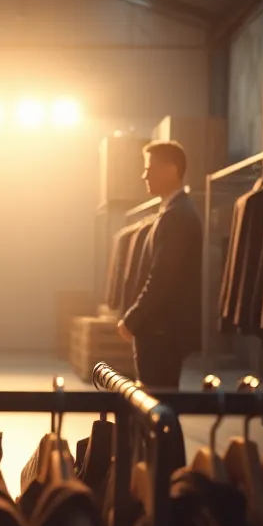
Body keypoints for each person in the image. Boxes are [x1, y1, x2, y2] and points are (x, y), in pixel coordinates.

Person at [117, 141, 202, 390]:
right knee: (156, 404)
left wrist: (133, 318)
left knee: (156, 404)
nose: (144, 175)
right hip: (160, 331)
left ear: (171, 170)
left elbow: (163, 278)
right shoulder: (173, 213)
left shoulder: (177, 216)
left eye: (149, 168)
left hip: (161, 331)